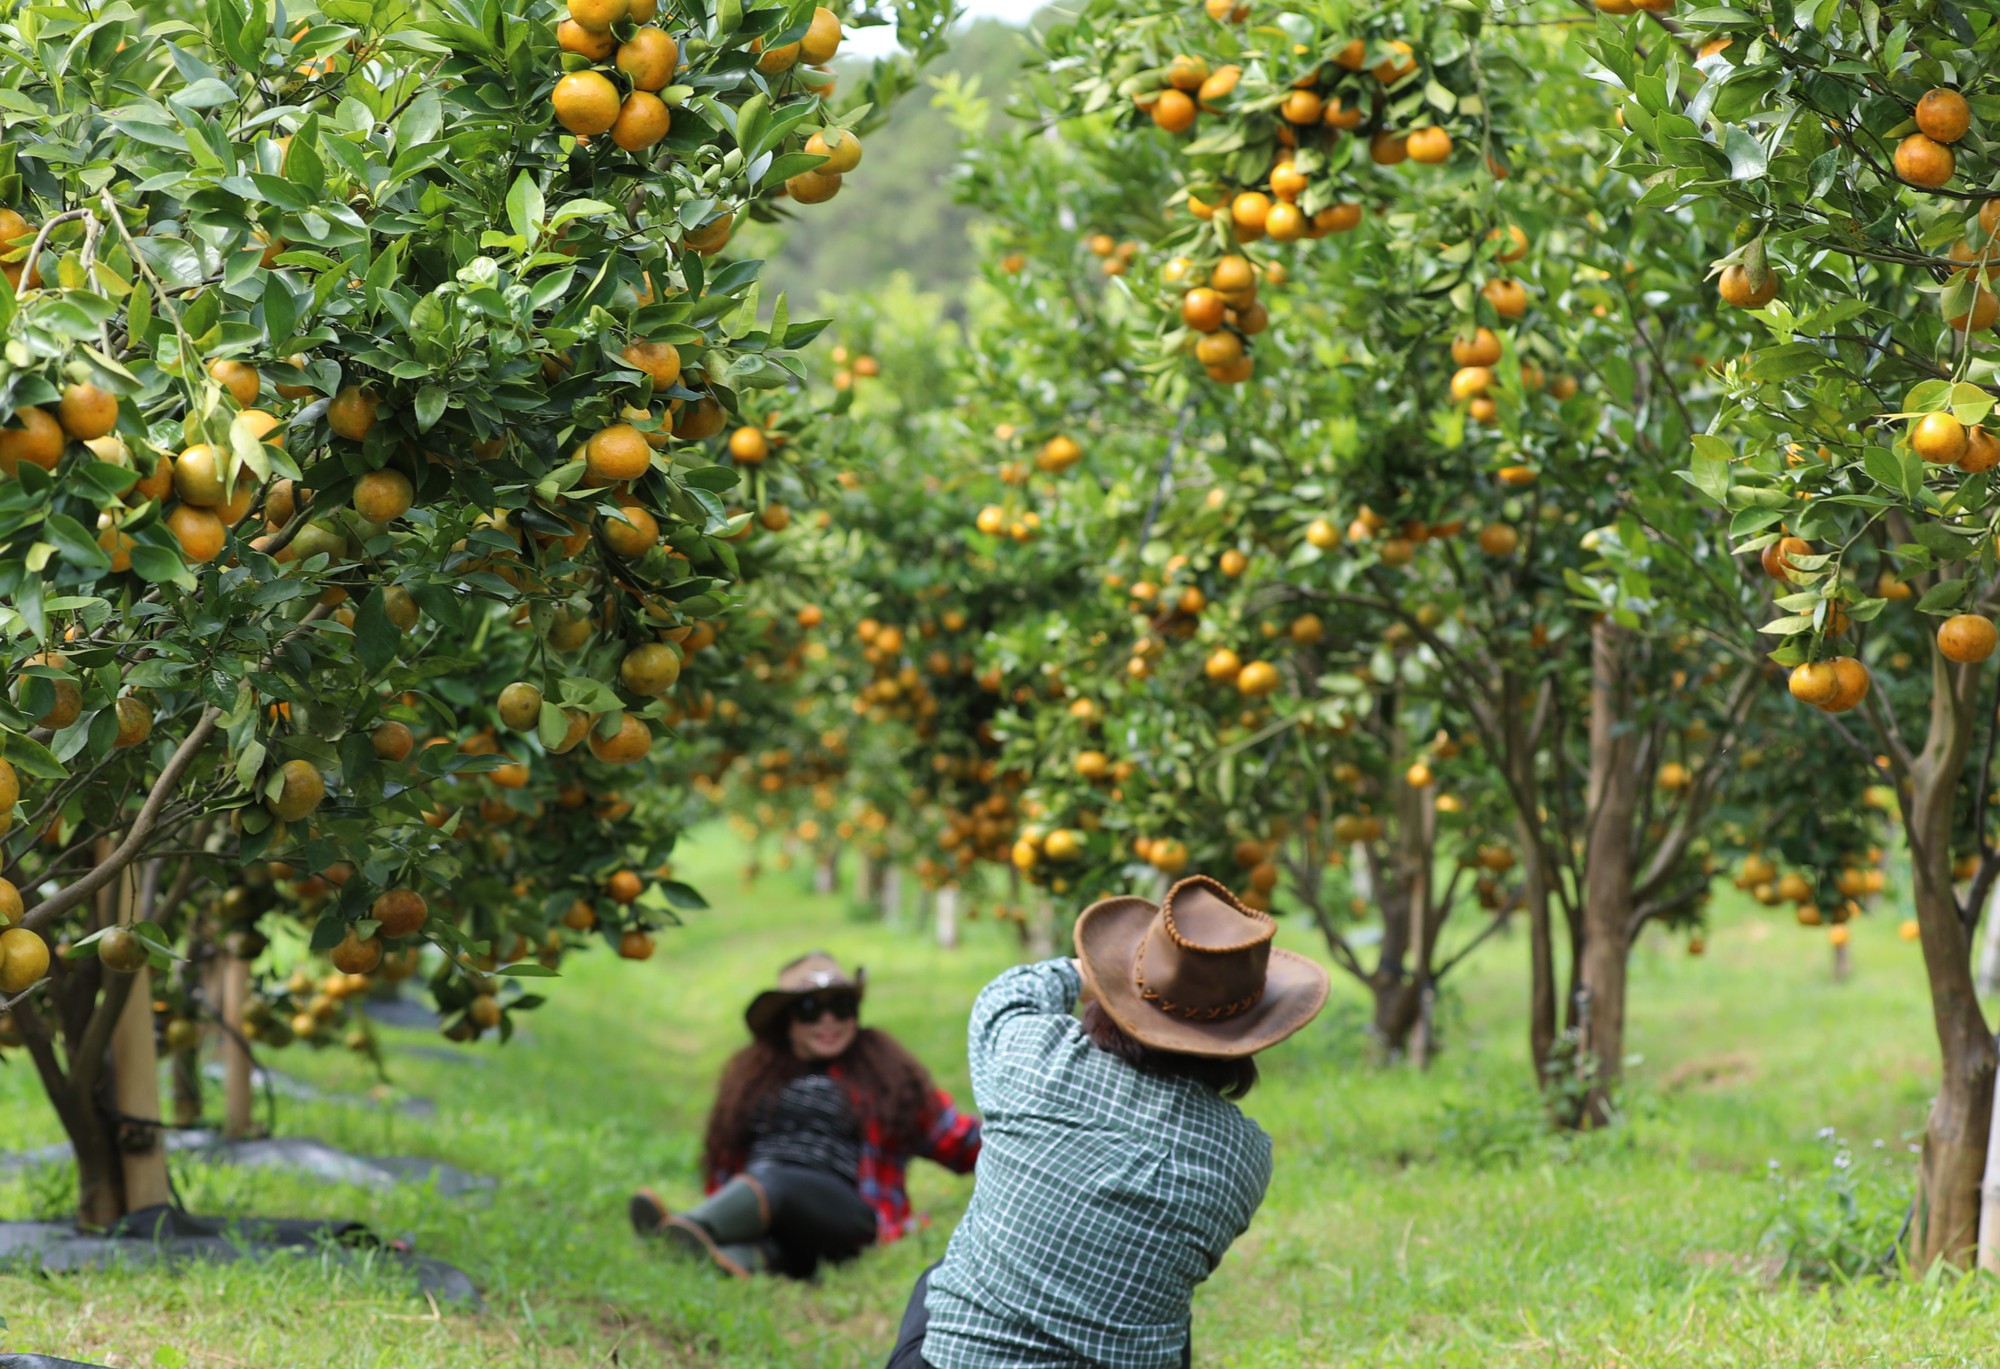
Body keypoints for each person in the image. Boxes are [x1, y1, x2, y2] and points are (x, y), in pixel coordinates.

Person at [885, 874, 1330, 1368]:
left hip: (963, 1359)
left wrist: (1099, 972)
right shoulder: (1243, 1157)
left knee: (940, 1279)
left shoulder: (1034, 1054)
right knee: (1165, 1313)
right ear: (1249, 1037)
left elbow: (1006, 993)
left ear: (1118, 988)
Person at [630, 951, 981, 1279]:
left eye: (841, 1007)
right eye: (811, 1009)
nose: (828, 1021)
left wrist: (1021, 1139)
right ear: (787, 1020)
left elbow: (955, 1138)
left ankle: (682, 1227)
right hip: (773, 1211)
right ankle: (715, 1255)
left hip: (846, 1214)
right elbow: (726, 1152)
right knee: (772, 1240)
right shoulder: (753, 1077)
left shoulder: (886, 1073)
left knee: (777, 1179)